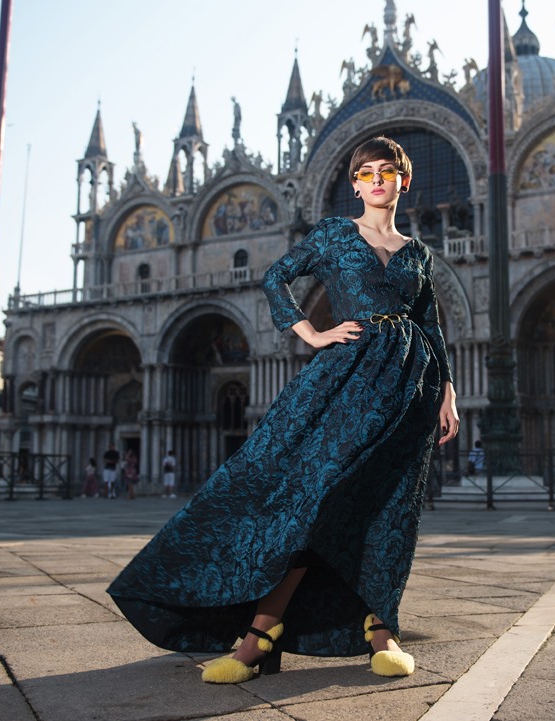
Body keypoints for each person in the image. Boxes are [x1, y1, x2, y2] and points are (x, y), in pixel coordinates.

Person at [107, 136, 459, 685]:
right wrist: (312, 333)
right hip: (347, 378)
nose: (376, 181)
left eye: (386, 172)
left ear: (403, 181)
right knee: (311, 502)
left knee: (389, 510)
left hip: (411, 389)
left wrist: (448, 391)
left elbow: (431, 326)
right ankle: (259, 635)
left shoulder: (417, 252)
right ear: (355, 184)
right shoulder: (334, 234)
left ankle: (381, 629)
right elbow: (275, 278)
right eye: (365, 173)